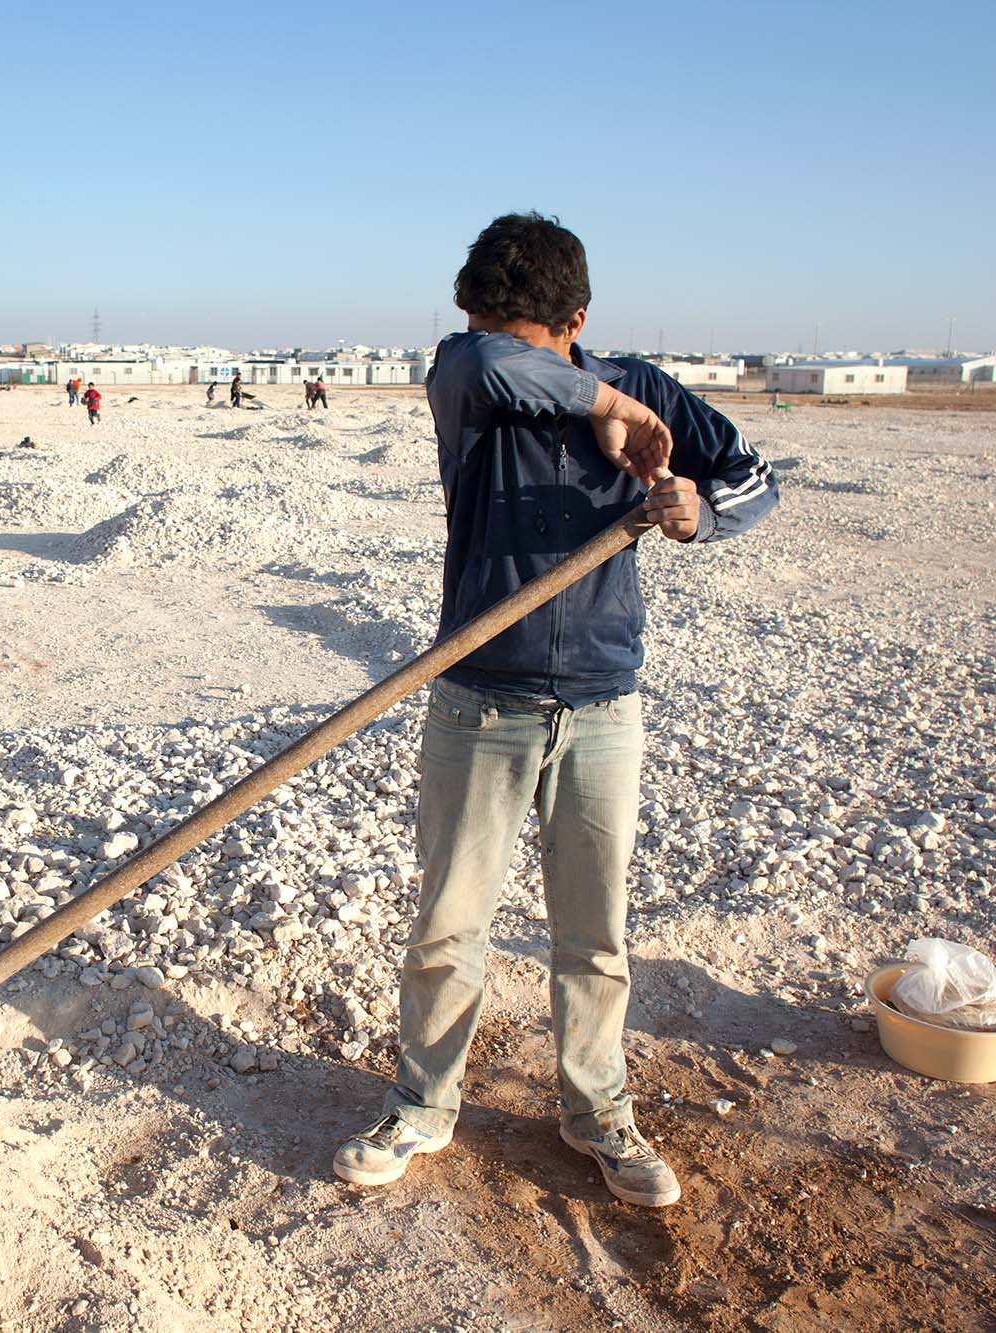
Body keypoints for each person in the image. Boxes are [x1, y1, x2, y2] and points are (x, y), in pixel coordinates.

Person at [332, 212, 779, 1209]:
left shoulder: (653, 392)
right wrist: (608, 400)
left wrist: (695, 511)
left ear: (576, 319)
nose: (490, 342)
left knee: (592, 934)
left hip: (598, 706)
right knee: (447, 924)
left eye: (516, 330)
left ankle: (597, 1109)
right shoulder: (472, 378)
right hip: (476, 701)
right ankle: (422, 1103)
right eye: (481, 325)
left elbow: (756, 483)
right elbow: (489, 366)